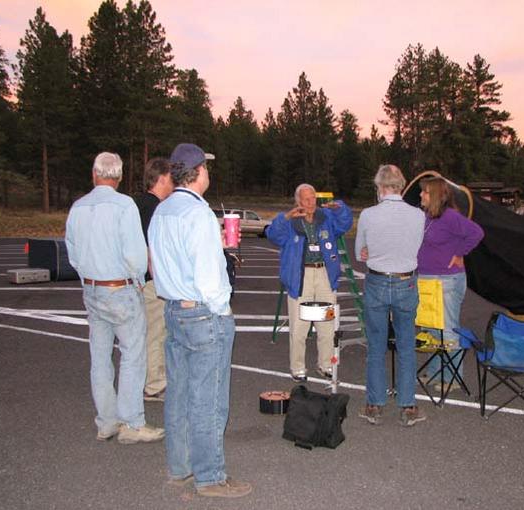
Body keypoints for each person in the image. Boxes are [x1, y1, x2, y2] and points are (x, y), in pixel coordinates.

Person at [148, 143, 251, 498]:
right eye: (206, 168)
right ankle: (210, 477)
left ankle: (181, 466)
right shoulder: (198, 214)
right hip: (204, 314)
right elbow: (209, 275)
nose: (209, 173)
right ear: (197, 172)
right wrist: (223, 308)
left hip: (175, 308)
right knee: (209, 398)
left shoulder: (163, 211)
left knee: (179, 393)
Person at [65, 152, 164, 444]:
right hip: (120, 288)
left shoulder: (78, 207)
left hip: (92, 289)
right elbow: (135, 252)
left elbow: (71, 252)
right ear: (119, 177)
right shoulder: (124, 206)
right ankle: (132, 422)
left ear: (94, 174)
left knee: (100, 357)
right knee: (133, 356)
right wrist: (135, 279)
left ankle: (107, 421)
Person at [355, 164, 426, 427]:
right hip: (406, 282)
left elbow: (359, 252)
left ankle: (374, 405)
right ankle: (408, 405)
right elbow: (416, 247)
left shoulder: (368, 215)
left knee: (376, 345)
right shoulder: (418, 215)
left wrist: (369, 251)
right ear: (400, 185)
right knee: (406, 345)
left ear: (380, 187)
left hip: (377, 281)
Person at [266, 184, 353, 381]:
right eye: (305, 199)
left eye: (312, 198)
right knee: (299, 327)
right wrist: (286, 217)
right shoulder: (290, 223)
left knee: (327, 324)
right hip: (300, 277)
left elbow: (345, 223)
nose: (310, 202)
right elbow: (272, 235)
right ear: (298, 202)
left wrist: (339, 206)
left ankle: (326, 365)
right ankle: (297, 368)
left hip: (324, 275)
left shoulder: (326, 218)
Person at [417, 176, 484, 392]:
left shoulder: (449, 216)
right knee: (433, 330)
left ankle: (453, 377)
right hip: (427, 280)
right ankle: (436, 372)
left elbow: (476, 233)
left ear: (435, 195)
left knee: (447, 330)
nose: (421, 195)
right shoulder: (428, 217)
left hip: (446, 280)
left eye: (425, 192)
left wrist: (459, 254)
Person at [134, 158, 174, 402]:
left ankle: (148, 379)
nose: (173, 184)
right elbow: (153, 248)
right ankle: (154, 385)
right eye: (171, 178)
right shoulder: (154, 208)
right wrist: (161, 281)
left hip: (138, 279)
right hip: (152, 281)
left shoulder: (136, 204)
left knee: (145, 333)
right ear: (161, 179)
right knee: (156, 333)